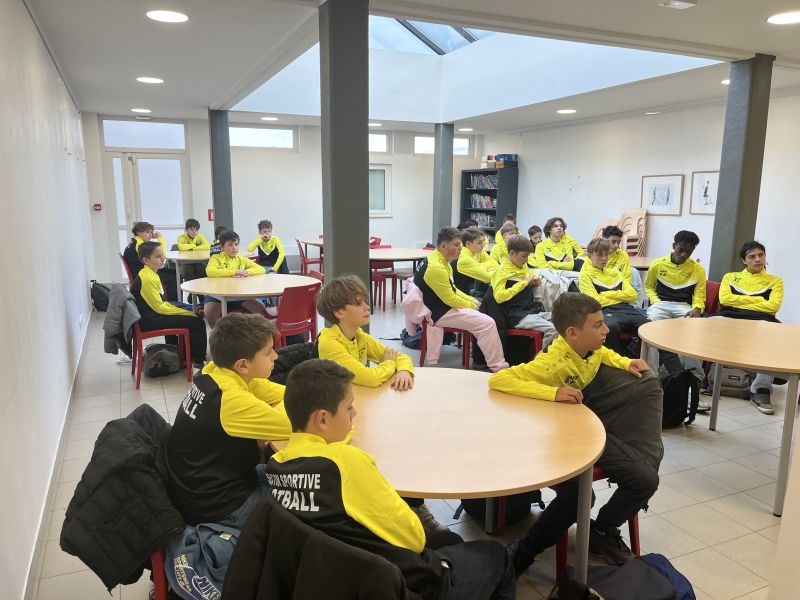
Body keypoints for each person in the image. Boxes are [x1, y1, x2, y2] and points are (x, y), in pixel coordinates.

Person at [268, 359, 516, 600]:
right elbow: (414, 539)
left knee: (451, 540)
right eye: (349, 407)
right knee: (496, 555)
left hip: (338, 577)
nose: (355, 413)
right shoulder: (346, 463)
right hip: (399, 583)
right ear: (322, 419)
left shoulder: (276, 465)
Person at [490, 293, 660, 573]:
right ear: (572, 333)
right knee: (581, 497)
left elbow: (603, 354)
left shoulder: (589, 348)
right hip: (552, 437)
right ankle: (522, 553)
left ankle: (601, 531)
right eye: (597, 325)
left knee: (645, 480)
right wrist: (553, 392)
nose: (606, 330)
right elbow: (499, 379)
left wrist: (624, 362)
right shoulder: (552, 363)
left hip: (585, 427)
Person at [316, 275, 450, 533]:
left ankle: (412, 505)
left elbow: (400, 357)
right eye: (359, 303)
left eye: (365, 301)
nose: (367, 307)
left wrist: (404, 370)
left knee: (404, 441)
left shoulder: (358, 336)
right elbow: (368, 377)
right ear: (340, 313)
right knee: (384, 454)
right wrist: (389, 364)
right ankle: (397, 509)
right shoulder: (329, 342)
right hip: (338, 423)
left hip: (360, 409)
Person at [165, 314, 292, 527]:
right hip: (219, 504)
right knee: (306, 502)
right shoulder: (230, 398)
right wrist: (268, 420)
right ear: (243, 365)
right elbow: (293, 422)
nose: (276, 356)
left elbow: (284, 394)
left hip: (203, 485)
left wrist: (266, 418)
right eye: (269, 352)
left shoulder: (214, 371)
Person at [414, 227, 508, 372]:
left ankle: (483, 360)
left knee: (484, 312)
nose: (460, 248)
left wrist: (472, 301)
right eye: (456, 245)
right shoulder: (436, 267)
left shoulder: (440, 260)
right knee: (488, 323)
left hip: (441, 306)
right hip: (437, 313)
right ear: (443, 246)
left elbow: (453, 289)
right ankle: (499, 367)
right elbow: (451, 299)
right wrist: (473, 306)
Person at [718, 241, 784, 414]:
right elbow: (725, 299)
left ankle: (761, 389)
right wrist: (760, 300)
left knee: (774, 336)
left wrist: (739, 301)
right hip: (730, 316)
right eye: (752, 256)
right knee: (700, 328)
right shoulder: (730, 277)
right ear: (744, 260)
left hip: (761, 320)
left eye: (761, 255)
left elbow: (772, 307)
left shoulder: (775, 281)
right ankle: (694, 382)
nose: (758, 259)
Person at [131, 241, 207, 366]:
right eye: (157, 256)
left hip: (150, 313)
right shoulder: (147, 278)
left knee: (186, 309)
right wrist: (186, 312)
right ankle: (199, 362)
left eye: (162, 254)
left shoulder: (149, 272)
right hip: (148, 320)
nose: (163, 258)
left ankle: (182, 355)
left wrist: (184, 309)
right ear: (146, 260)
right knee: (197, 321)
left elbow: (160, 304)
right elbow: (160, 308)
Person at [644, 230, 706, 380]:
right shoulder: (657, 264)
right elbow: (649, 287)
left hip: (683, 306)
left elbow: (700, 295)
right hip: (661, 304)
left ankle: (694, 379)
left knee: (697, 329)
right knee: (650, 328)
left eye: (688, 252)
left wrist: (697, 308)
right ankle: (651, 376)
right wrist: (656, 301)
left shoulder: (698, 269)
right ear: (674, 246)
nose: (684, 254)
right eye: (681, 250)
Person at [578, 238, 647, 355]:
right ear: (590, 256)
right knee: (609, 328)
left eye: (606, 254)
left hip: (627, 310)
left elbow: (632, 295)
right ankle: (614, 363)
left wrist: (607, 294)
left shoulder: (616, 273)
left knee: (651, 328)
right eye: (600, 255)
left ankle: (672, 367)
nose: (604, 258)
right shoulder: (585, 275)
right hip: (605, 311)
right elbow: (596, 301)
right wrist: (621, 296)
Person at [489, 235, 557, 348]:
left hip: (532, 311)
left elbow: (529, 276)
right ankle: (544, 358)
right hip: (517, 316)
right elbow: (499, 297)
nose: (526, 260)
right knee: (553, 329)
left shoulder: (522, 266)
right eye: (524, 256)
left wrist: (533, 281)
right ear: (512, 253)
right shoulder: (501, 272)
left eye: (528, 256)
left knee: (565, 320)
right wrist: (524, 283)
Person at [204, 230, 269, 328]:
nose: (234, 247)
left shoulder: (241, 259)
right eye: (230, 245)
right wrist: (234, 272)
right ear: (222, 246)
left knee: (260, 308)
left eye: (236, 244)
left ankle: (251, 333)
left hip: (238, 294)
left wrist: (245, 272)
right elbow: (210, 271)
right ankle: (220, 334)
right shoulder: (216, 258)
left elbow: (261, 269)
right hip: (217, 295)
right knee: (210, 312)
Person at [123, 221, 177, 293]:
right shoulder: (139, 244)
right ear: (138, 232)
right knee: (173, 278)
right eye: (148, 232)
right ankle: (173, 299)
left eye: (151, 232)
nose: (150, 235)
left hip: (143, 270)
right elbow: (162, 254)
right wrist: (160, 237)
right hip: (144, 274)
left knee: (174, 272)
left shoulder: (134, 241)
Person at [455, 227, 497, 296]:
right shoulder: (464, 258)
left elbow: (495, 264)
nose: (483, 245)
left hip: (473, 289)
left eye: (483, 241)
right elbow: (489, 278)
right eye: (479, 242)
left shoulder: (478, 252)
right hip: (462, 294)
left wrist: (481, 267)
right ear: (468, 243)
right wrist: (486, 267)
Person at [176, 218, 211, 283]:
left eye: (196, 230)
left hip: (198, 261)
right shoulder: (181, 237)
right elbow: (181, 247)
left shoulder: (200, 236)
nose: (194, 232)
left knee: (203, 270)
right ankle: (189, 288)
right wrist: (195, 245)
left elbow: (207, 246)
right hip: (186, 262)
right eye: (191, 230)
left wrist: (192, 248)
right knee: (187, 271)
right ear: (186, 229)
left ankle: (200, 289)